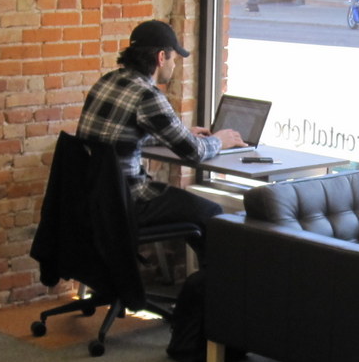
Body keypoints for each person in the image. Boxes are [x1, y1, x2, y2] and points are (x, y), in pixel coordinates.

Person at [76, 20, 244, 250]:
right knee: (213, 213)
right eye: (174, 58)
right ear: (161, 57)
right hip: (128, 201)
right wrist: (219, 140)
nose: (174, 65)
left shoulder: (108, 81)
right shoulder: (148, 95)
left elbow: (120, 136)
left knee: (198, 213)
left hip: (95, 198)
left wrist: (183, 134)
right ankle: (214, 274)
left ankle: (207, 271)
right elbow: (194, 152)